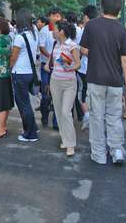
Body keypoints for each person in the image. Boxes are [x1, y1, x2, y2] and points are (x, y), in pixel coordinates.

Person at [80, 0, 126, 165]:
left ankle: (99, 154)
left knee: (96, 116)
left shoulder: (92, 25)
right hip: (115, 80)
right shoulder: (122, 29)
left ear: (102, 7)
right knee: (114, 116)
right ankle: (116, 149)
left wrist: (97, 54)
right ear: (119, 9)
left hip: (95, 78)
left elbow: (83, 50)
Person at [45, 20, 81, 156]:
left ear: (61, 32)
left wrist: (70, 68)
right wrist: (48, 64)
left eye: (54, 29)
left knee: (66, 112)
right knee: (59, 111)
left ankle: (71, 143)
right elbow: (53, 60)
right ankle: (65, 139)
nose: (52, 32)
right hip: (55, 81)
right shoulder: (56, 44)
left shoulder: (72, 45)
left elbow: (78, 64)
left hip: (69, 83)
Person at [9, 9, 40, 142]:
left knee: (24, 104)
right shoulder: (34, 34)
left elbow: (13, 57)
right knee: (24, 103)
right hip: (29, 72)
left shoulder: (20, 37)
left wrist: (10, 69)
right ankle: (32, 127)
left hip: (20, 73)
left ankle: (30, 133)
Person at [39, 7, 63, 127]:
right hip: (46, 66)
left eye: (57, 16)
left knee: (58, 96)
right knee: (47, 95)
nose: (55, 18)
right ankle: (44, 114)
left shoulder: (63, 29)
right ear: (49, 17)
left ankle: (56, 122)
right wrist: (51, 57)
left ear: (61, 17)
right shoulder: (44, 30)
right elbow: (41, 46)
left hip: (59, 67)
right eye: (53, 16)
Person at [77, 4, 97, 132]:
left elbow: (83, 50)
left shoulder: (85, 30)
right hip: (98, 69)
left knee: (82, 93)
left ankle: (87, 115)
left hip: (84, 68)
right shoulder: (102, 28)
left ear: (85, 16)